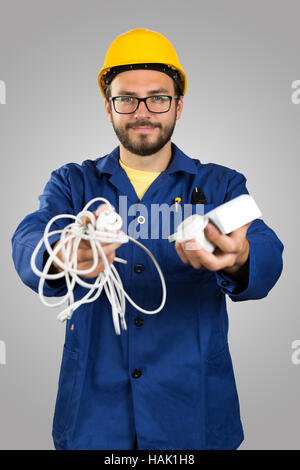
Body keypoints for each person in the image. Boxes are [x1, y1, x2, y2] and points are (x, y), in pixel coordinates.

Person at [11, 28, 284, 450]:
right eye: (127, 99)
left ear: (178, 105)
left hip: (194, 418)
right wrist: (61, 253)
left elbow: (267, 253)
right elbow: (29, 236)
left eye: (158, 98)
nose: (143, 111)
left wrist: (239, 256)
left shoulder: (221, 184)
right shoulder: (74, 183)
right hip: (94, 419)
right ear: (108, 107)